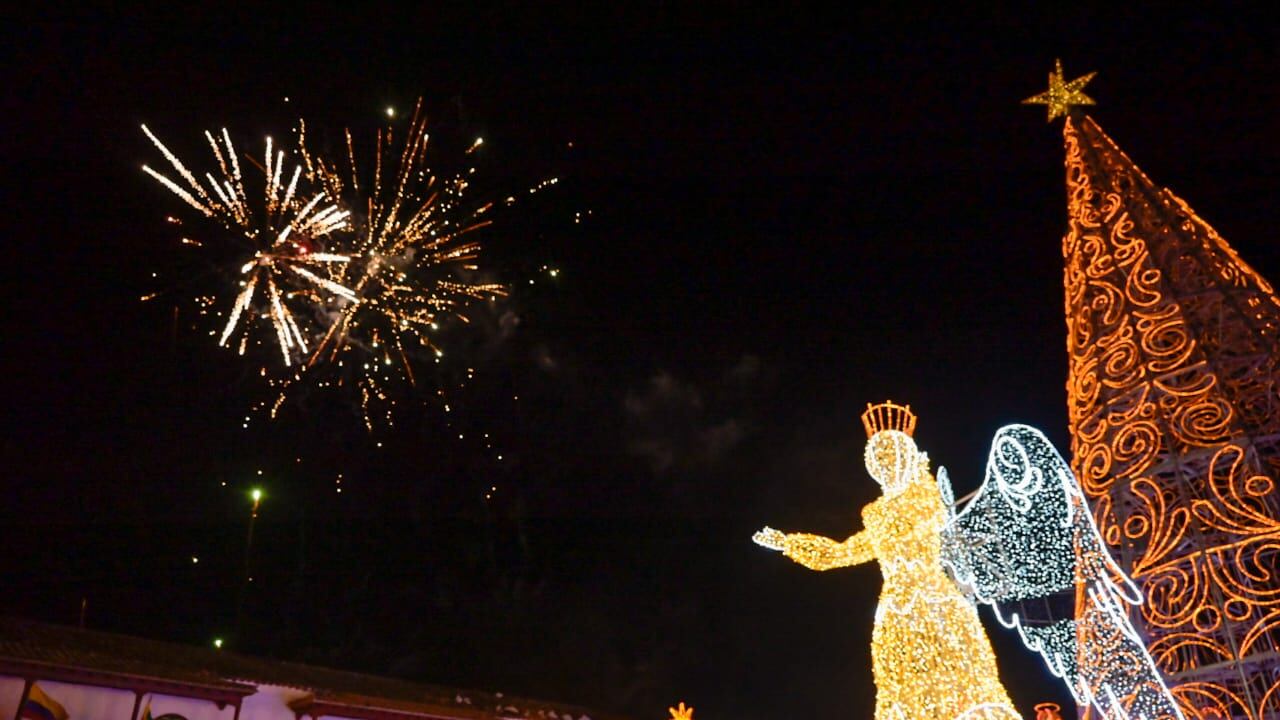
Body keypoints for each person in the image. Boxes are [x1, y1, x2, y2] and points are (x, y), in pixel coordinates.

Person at [754, 402, 1019, 720]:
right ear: (873, 466)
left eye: (894, 457)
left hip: (938, 604)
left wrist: (922, 477)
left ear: (907, 458)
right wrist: (788, 544)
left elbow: (934, 517)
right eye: (881, 460)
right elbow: (842, 552)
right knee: (903, 691)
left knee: (963, 679)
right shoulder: (877, 516)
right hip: (895, 614)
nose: (888, 465)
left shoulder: (925, 499)